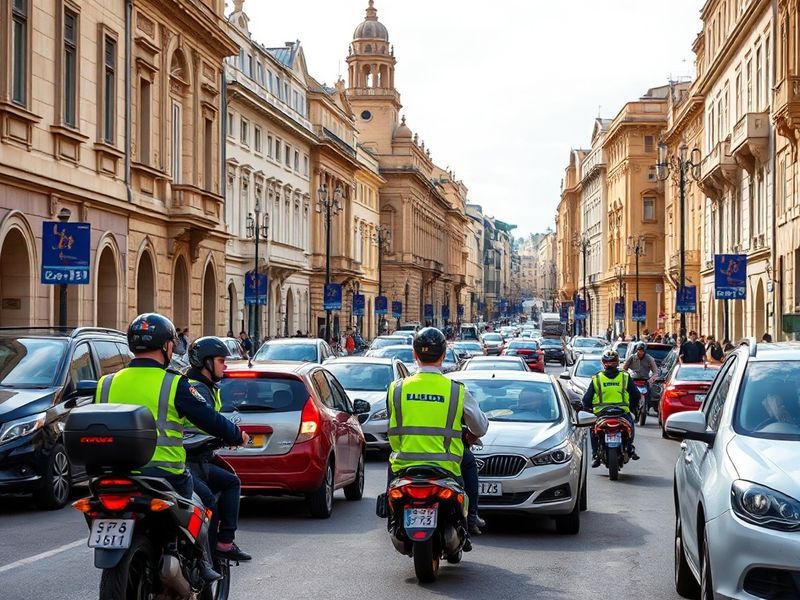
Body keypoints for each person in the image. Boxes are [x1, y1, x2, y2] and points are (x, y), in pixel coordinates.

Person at [95, 313, 249, 583]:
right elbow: (210, 420)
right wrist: (237, 436)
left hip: (113, 474)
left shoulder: (106, 383)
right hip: (166, 474)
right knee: (205, 505)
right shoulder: (174, 383)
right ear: (167, 346)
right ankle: (201, 563)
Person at [386, 327, 489, 538]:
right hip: (446, 467)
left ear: (415, 355)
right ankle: (470, 518)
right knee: (468, 462)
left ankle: (391, 516)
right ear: (443, 355)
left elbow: (392, 423)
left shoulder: (396, 389)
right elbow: (480, 427)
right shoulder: (455, 390)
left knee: (390, 467)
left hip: (404, 464)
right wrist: (469, 434)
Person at [185, 337, 252, 562]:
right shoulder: (197, 389)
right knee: (227, 486)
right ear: (206, 363)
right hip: (190, 460)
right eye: (221, 360)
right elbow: (205, 422)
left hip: (194, 456)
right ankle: (219, 545)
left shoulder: (204, 386)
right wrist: (231, 435)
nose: (225, 365)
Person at [582, 349, 641, 467]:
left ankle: (595, 455)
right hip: (622, 413)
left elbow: (586, 399)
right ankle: (629, 448)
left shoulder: (597, 378)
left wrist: (587, 409)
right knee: (631, 426)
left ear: (603, 363)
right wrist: (632, 406)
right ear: (617, 362)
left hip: (601, 414)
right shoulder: (625, 377)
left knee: (593, 430)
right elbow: (636, 395)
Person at [622, 341, 658, 416]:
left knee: (651, 392)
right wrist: (626, 375)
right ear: (636, 350)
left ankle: (649, 408)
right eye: (639, 350)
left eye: (642, 350)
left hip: (645, 380)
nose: (640, 352)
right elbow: (624, 368)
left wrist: (652, 378)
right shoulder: (632, 357)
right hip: (633, 380)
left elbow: (655, 372)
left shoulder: (649, 358)